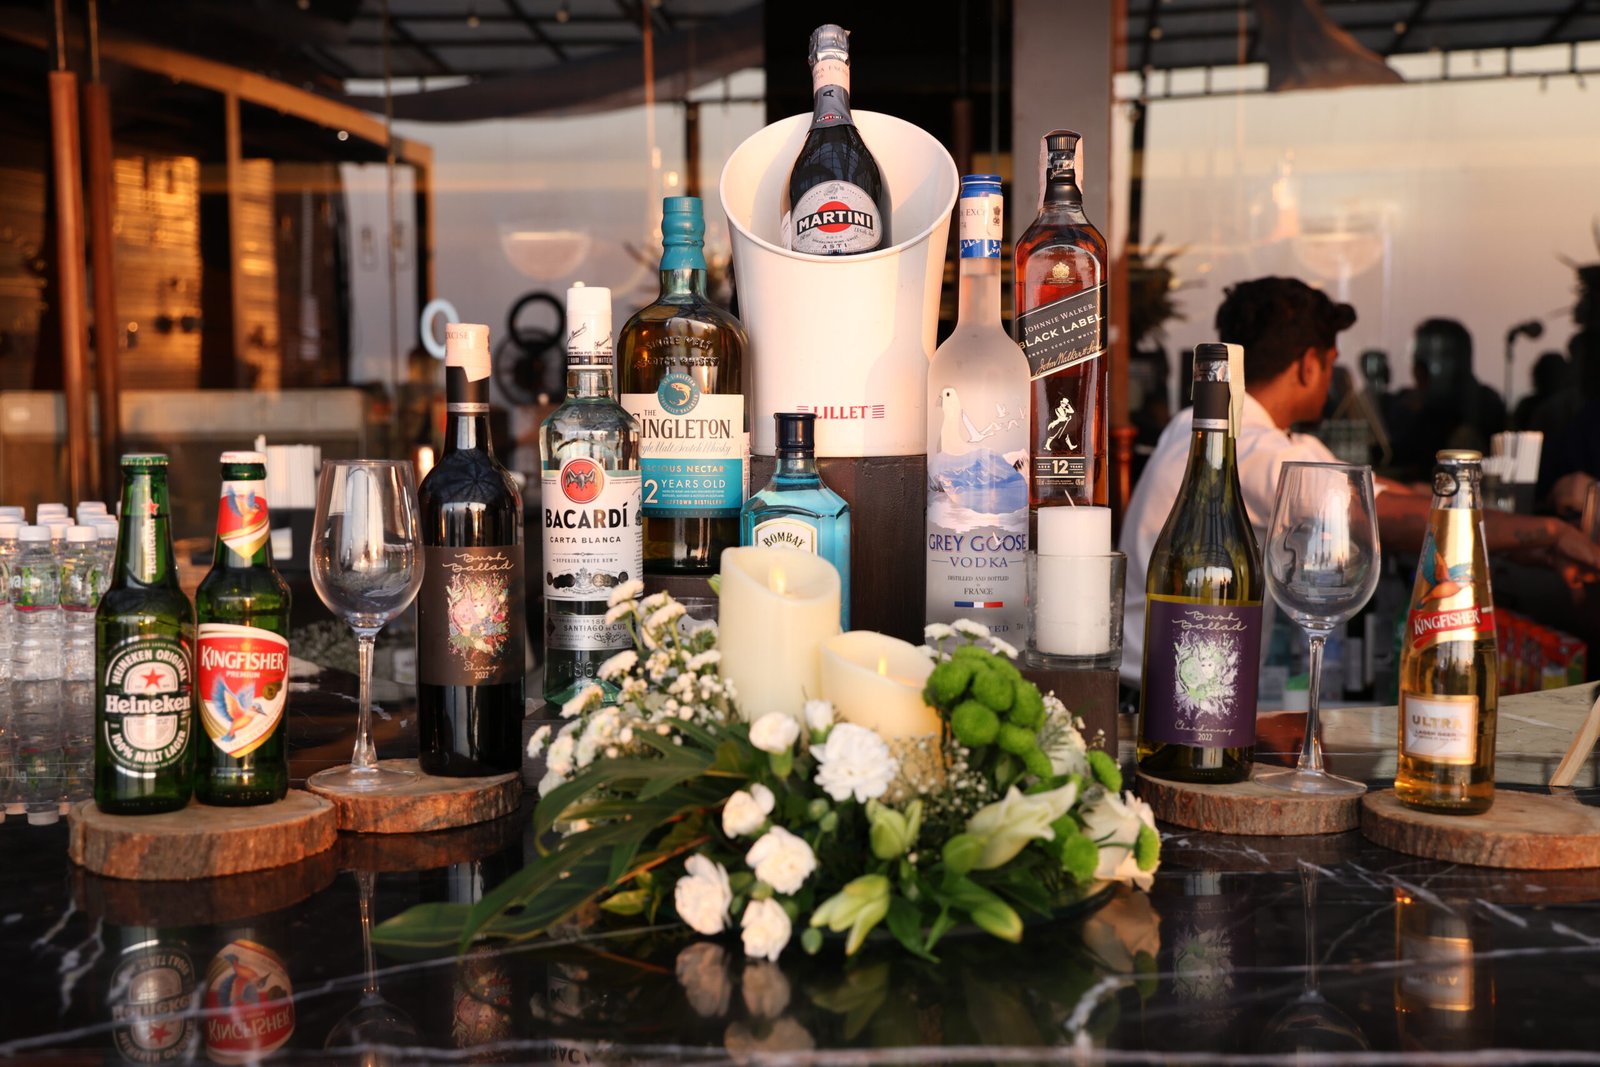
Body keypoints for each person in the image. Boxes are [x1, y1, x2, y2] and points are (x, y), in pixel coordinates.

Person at [1119, 277, 1600, 690]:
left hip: (1164, 685)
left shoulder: (1205, 427)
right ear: (1309, 364)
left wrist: (1533, 544)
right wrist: (1552, 533)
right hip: (1170, 703)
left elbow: (1394, 494)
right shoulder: (1255, 449)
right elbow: (1389, 517)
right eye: (1331, 363)